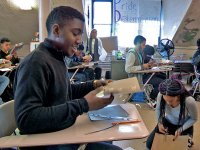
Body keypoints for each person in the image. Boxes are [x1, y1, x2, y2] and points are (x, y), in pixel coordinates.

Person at [13, 6, 122, 150]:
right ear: (57, 30)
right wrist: (84, 104)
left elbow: (63, 91)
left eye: (80, 35)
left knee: (108, 135)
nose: (79, 41)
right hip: (47, 143)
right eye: (75, 33)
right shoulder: (36, 62)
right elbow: (26, 119)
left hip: (62, 134)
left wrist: (94, 84)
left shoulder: (57, 58)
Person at [146, 79, 198, 149]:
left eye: (171, 100)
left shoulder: (189, 101)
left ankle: (188, 139)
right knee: (149, 145)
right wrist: (159, 123)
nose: (168, 103)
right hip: (167, 123)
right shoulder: (161, 95)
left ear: (178, 95)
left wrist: (181, 129)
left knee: (178, 147)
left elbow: (194, 118)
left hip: (184, 126)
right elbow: (158, 109)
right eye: (166, 100)